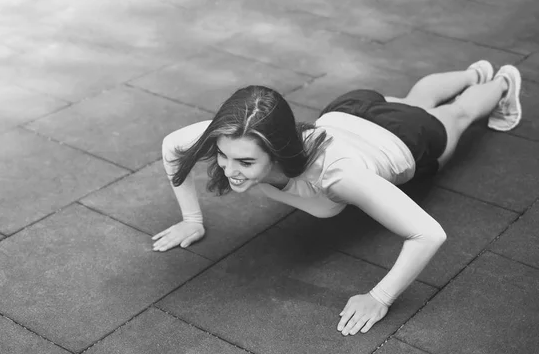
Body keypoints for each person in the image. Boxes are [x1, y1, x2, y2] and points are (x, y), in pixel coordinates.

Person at [151, 60, 522, 336]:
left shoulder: (337, 175)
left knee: (454, 113)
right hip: (348, 112)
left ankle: (503, 81)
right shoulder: (239, 134)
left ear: (278, 151)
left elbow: (428, 234)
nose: (230, 169)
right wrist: (192, 220)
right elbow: (173, 147)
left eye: (246, 162)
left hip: (407, 137)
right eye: (223, 155)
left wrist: (380, 297)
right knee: (414, 98)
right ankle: (476, 74)